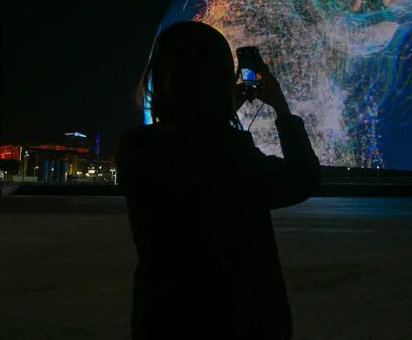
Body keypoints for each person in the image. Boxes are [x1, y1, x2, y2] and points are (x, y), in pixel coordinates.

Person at [116, 21, 321, 340]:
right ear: (221, 79)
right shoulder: (232, 154)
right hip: (235, 324)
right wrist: (281, 107)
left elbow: (188, 145)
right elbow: (302, 178)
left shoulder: (134, 149)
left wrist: (218, 111)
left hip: (161, 321)